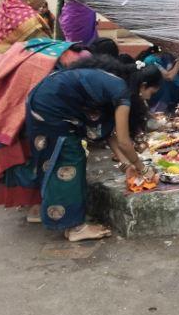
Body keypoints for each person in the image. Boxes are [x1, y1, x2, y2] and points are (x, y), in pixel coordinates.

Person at [26, 57, 162, 241]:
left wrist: (125, 164)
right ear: (143, 85)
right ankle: (74, 228)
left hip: (43, 101)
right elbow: (123, 140)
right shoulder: (122, 92)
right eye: (151, 92)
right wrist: (142, 168)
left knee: (55, 159)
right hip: (52, 110)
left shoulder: (113, 82)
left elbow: (106, 132)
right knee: (70, 160)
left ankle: (44, 211)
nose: (149, 98)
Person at [0, 38, 86, 213]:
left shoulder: (57, 51)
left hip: (8, 100)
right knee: (33, 153)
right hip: (23, 103)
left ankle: (29, 203)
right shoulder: (76, 63)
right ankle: (35, 206)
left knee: (22, 153)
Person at [138, 46, 179, 113]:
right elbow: (168, 77)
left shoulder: (169, 57)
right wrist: (178, 63)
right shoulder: (151, 60)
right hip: (160, 100)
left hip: (172, 96)